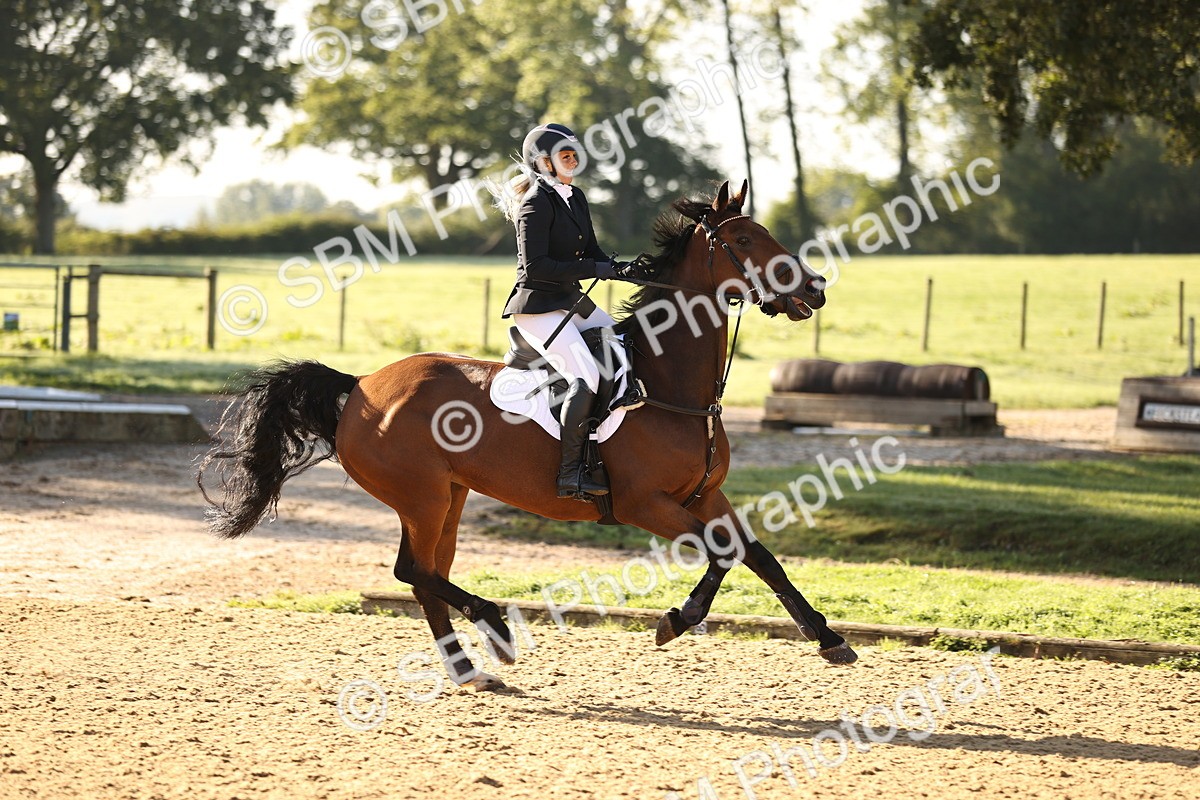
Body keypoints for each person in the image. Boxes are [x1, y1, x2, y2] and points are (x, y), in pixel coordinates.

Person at [497, 123, 638, 499]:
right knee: (587, 375)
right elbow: (536, 266)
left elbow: (591, 253)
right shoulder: (534, 203)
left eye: (575, 155)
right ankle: (571, 472)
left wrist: (623, 269)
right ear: (543, 162)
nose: (573, 161)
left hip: (568, 299)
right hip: (537, 305)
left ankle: (613, 411)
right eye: (565, 155)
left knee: (624, 337)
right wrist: (594, 269)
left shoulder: (574, 197)